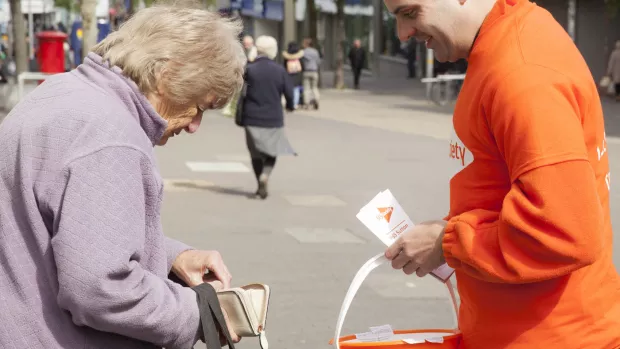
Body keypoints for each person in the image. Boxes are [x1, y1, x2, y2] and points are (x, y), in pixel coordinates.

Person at [0, 3, 246, 349]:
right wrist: (201, 313)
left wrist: (169, 257)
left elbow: (68, 231)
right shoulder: (111, 137)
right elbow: (102, 289)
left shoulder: (62, 91)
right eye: (199, 105)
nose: (194, 126)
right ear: (168, 74)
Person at [382, 0, 620, 348]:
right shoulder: (507, 41)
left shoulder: (522, 70)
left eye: (410, 12)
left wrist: (446, 242)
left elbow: (564, 232)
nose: (403, 33)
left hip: (552, 337)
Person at [238, 36, 296, 199]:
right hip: (273, 118)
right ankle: (266, 175)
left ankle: (259, 183)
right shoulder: (279, 70)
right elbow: (290, 93)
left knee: (255, 153)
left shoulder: (250, 69)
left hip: (251, 117)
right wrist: (291, 106)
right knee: (272, 151)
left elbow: (241, 91)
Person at [282, 41, 305, 108]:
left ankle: (290, 102)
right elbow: (302, 65)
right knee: (296, 89)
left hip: (289, 74)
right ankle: (295, 103)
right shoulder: (299, 55)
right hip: (297, 74)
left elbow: (284, 65)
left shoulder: (286, 55)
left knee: (290, 88)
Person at [301, 37, 322, 109]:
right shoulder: (315, 52)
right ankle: (317, 100)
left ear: (306, 44)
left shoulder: (303, 52)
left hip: (306, 71)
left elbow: (301, 62)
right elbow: (318, 62)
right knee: (314, 87)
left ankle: (306, 103)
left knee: (306, 88)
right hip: (314, 71)